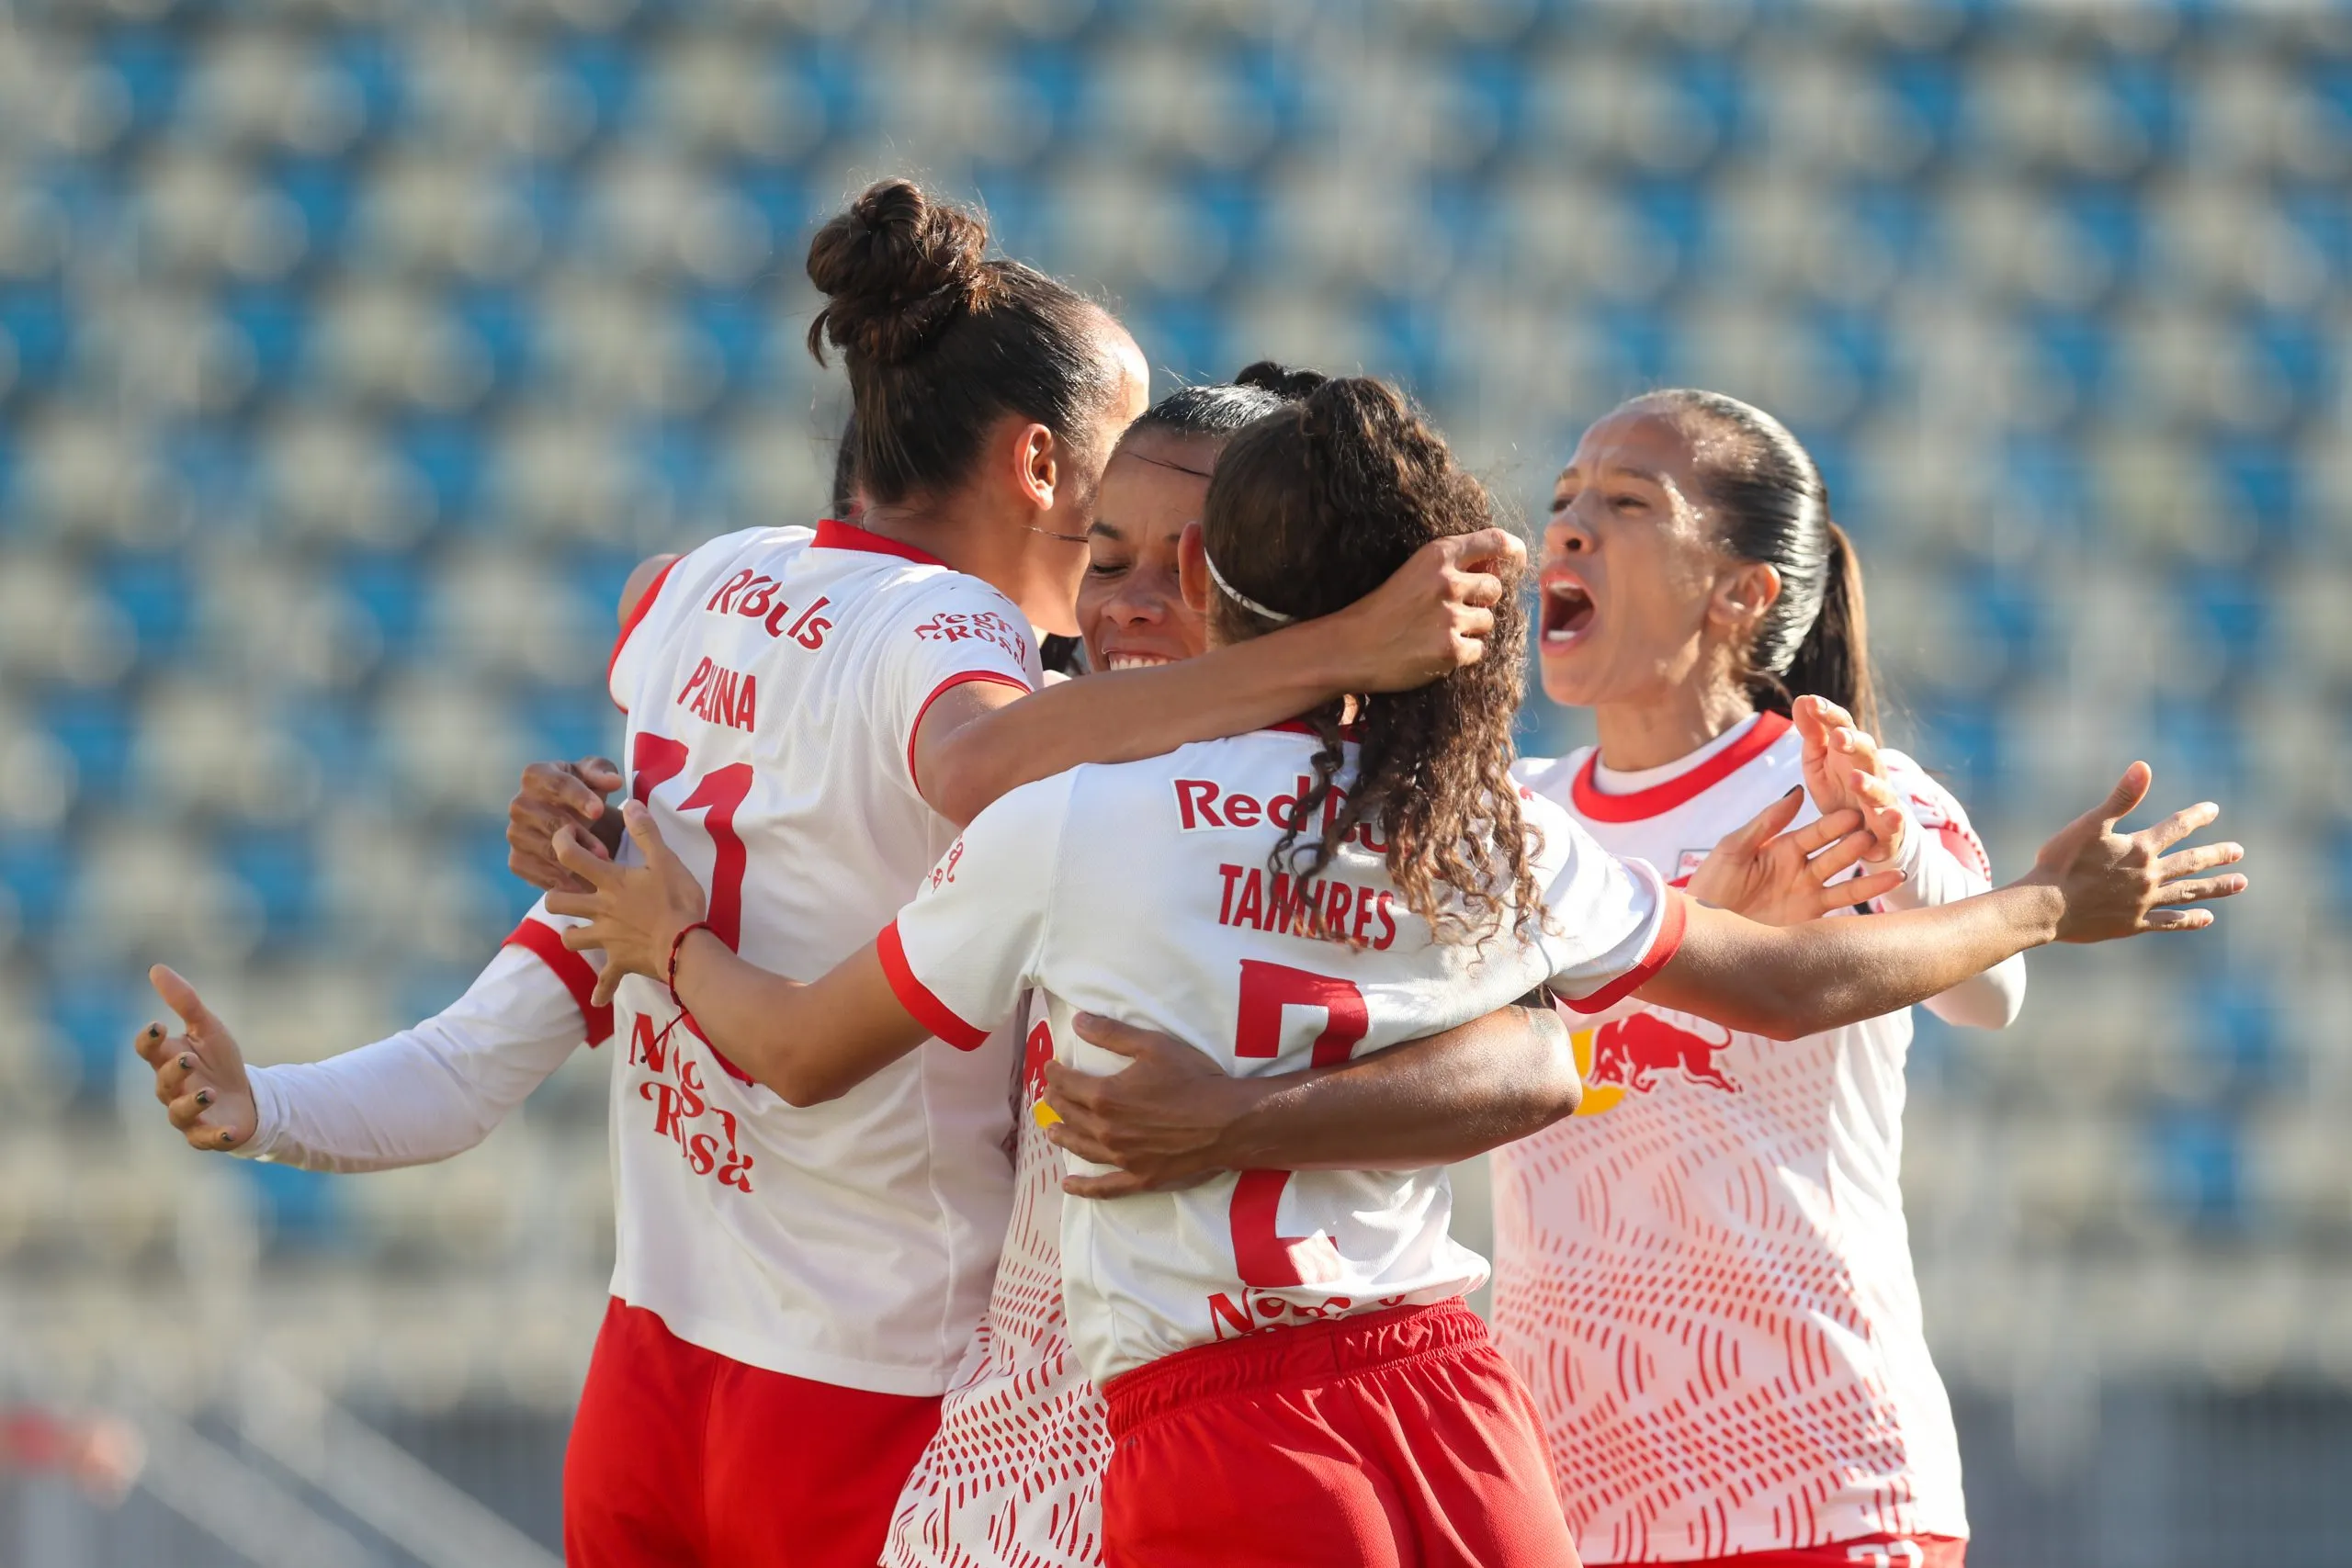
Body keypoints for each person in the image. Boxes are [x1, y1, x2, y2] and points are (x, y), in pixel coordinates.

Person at [541, 376, 2244, 1568]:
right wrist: (2039, 905)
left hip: (1225, 1419)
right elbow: (1704, 1014)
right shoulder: (1485, 826)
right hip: (1456, 1390)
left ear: (1222, 587)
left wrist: (660, 932)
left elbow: (799, 1043)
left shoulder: (1077, 822)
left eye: (1156, 562)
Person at [131, 182, 1517, 1568]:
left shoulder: (696, 596)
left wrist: (267, 1105)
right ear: (1043, 466)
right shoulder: (965, 656)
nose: (1127, 557)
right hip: (876, 1407)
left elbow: (484, 1044)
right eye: (1114, 487)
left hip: (648, 1382)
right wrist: (1336, 649)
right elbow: (971, 766)